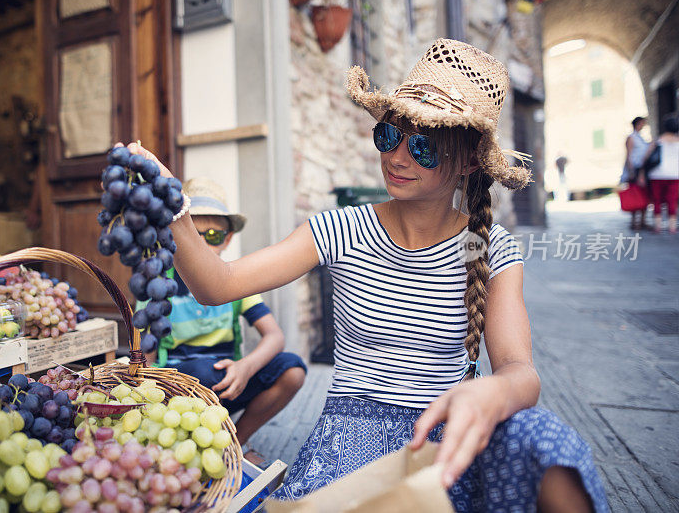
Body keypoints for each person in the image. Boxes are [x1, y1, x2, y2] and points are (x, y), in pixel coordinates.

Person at [122, 39, 608, 512]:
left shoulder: (490, 247)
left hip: (455, 423)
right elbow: (217, 285)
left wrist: (492, 391)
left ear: (465, 162)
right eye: (389, 136)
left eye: (423, 147)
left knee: (547, 444)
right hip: (353, 433)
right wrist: (172, 206)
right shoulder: (340, 228)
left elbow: (520, 372)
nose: (397, 157)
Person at [137, 177, 307, 452]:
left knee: (292, 370)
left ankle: (234, 444)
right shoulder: (159, 283)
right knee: (203, 371)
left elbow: (274, 336)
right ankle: (204, 444)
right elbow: (146, 354)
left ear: (227, 239)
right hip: (182, 387)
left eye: (213, 236)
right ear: (173, 236)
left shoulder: (236, 280)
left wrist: (246, 367)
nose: (202, 244)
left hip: (230, 380)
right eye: (192, 234)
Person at [647, 116, 679, 233]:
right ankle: (672, 227)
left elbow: (647, 157)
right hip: (675, 175)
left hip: (657, 174)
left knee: (657, 200)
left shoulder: (658, 141)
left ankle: (658, 226)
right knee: (672, 200)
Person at [622, 116, 652, 230]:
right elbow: (629, 156)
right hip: (635, 169)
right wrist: (631, 171)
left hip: (643, 169)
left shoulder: (641, 138)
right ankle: (634, 222)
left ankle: (642, 221)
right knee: (635, 195)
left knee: (644, 196)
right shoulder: (632, 138)